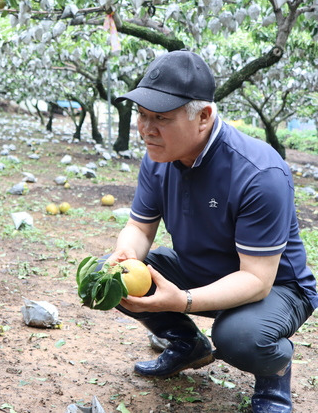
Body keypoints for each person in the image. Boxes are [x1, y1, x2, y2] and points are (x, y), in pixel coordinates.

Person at [103, 50, 317, 413]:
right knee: (106, 278)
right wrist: (126, 256)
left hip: (276, 287)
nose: (146, 129)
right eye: (142, 115)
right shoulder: (160, 157)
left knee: (239, 337)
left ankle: (273, 382)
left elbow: (256, 280)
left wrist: (182, 300)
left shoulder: (258, 174)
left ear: (203, 117)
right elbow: (139, 226)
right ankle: (187, 345)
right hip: (202, 268)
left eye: (161, 118)